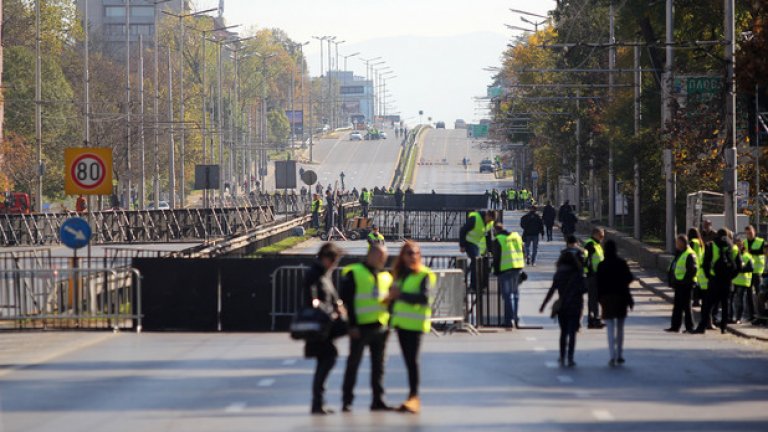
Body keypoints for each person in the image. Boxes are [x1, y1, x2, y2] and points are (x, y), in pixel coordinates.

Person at [340, 244, 394, 412]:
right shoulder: (354, 272)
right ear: (370, 255)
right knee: (353, 364)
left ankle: (378, 399)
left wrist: (389, 323)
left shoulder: (385, 276)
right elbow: (346, 301)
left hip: (380, 326)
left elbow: (388, 301)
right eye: (379, 256)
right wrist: (352, 325)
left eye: (384, 257)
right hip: (360, 327)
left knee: (379, 366)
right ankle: (347, 400)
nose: (382, 260)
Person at [388, 241, 436, 413]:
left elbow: (424, 298)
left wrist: (400, 295)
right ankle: (411, 396)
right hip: (401, 323)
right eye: (409, 253)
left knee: (412, 361)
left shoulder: (423, 274)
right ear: (403, 256)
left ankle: (414, 397)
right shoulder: (401, 274)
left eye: (416, 252)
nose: (413, 256)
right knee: (408, 361)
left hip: (415, 323)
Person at [304, 243, 346, 415]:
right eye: (334, 261)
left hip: (325, 325)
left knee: (326, 359)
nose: (335, 265)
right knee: (328, 358)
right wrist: (330, 310)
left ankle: (318, 402)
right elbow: (313, 299)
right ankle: (317, 402)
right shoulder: (315, 274)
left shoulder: (323, 274)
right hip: (318, 324)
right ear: (326, 258)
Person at [540, 251, 587, 367]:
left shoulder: (559, 273)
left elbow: (552, 290)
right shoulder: (578, 273)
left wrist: (544, 304)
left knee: (563, 332)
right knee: (572, 333)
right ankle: (570, 357)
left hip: (563, 306)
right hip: (575, 305)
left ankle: (562, 356)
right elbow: (584, 289)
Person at [695, 228, 741, 334]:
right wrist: (731, 277)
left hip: (714, 280)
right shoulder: (734, 248)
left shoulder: (711, 245)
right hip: (727, 281)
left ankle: (702, 327)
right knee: (725, 305)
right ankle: (723, 328)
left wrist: (709, 276)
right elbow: (738, 266)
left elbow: (705, 264)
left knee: (708, 305)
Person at [596, 240, 635, 366]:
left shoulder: (602, 265)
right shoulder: (621, 263)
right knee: (620, 328)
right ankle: (619, 354)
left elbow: (598, 284)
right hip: (621, 298)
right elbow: (629, 278)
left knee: (610, 328)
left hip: (607, 299)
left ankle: (612, 355)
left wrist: (598, 299)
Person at [492, 222, 525, 328]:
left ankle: (508, 320)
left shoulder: (499, 239)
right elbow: (523, 250)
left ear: (495, 231)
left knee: (507, 295)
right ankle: (515, 318)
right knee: (515, 294)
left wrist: (496, 271)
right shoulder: (516, 236)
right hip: (517, 268)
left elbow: (496, 258)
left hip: (505, 269)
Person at [666, 234, 698, 334]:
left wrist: (685, 280)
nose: (676, 244)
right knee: (677, 306)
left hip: (685, 284)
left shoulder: (689, 254)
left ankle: (690, 327)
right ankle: (675, 326)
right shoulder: (679, 253)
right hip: (679, 283)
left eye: (678, 242)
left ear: (683, 243)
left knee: (686, 306)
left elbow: (693, 269)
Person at [459, 210, 495, 293]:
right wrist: (462, 245)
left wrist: (490, 250)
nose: (489, 222)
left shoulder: (489, 223)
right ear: (487, 215)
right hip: (469, 242)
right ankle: (473, 286)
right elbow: (463, 230)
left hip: (476, 244)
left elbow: (488, 237)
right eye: (489, 220)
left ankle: (478, 286)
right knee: (476, 262)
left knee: (477, 263)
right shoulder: (475, 218)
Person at [584, 228, 606, 329]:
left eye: (603, 236)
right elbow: (586, 260)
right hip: (593, 275)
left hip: (598, 275)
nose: (602, 237)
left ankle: (591, 320)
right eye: (601, 236)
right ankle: (596, 320)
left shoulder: (597, 244)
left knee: (593, 298)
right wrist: (588, 271)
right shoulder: (590, 244)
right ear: (595, 234)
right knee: (594, 298)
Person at [744, 225, 765, 322]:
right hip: (748, 272)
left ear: (754, 232)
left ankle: (759, 314)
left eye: (750, 232)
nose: (749, 234)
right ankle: (752, 315)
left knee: (758, 293)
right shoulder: (744, 243)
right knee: (748, 294)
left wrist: (751, 251)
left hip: (757, 271)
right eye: (747, 233)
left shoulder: (760, 241)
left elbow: (762, 251)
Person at [731, 238, 753, 325]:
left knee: (740, 300)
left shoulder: (747, 256)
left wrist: (739, 269)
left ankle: (738, 318)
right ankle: (731, 317)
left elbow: (751, 268)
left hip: (742, 282)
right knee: (732, 301)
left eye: (739, 245)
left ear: (742, 246)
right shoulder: (733, 255)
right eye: (736, 245)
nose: (738, 247)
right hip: (734, 281)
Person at [688, 227, 706, 307]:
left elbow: (690, 253)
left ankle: (695, 300)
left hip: (694, 264)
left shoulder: (692, 242)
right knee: (699, 284)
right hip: (700, 265)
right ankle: (699, 300)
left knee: (695, 285)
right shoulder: (700, 242)